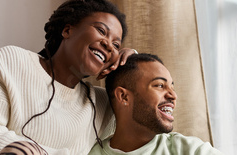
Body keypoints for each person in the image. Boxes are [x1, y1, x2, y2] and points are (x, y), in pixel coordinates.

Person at [0, 0, 135, 154]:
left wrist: (132, 67)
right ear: (67, 30)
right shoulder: (12, 61)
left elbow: (147, 121)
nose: (109, 45)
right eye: (101, 31)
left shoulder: (100, 103)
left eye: (116, 45)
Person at [88, 53, 223, 155]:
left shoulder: (189, 150)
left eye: (172, 87)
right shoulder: (91, 152)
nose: (173, 95)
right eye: (159, 85)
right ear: (124, 96)